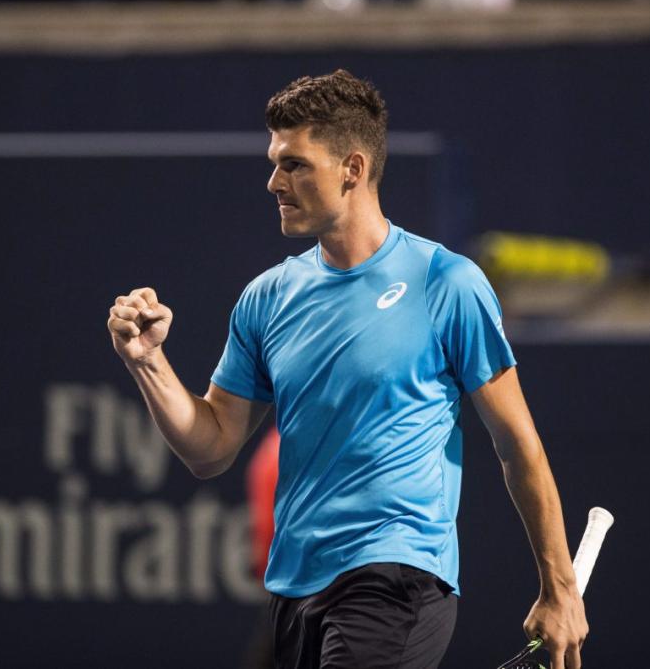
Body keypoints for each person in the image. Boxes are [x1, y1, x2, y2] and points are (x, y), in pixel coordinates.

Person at [107, 69, 589, 669]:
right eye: (274, 162)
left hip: (395, 575)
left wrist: (559, 588)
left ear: (352, 170)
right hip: (295, 589)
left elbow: (519, 445)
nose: (273, 182)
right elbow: (210, 447)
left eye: (294, 164)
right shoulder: (267, 297)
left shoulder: (447, 283)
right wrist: (148, 363)